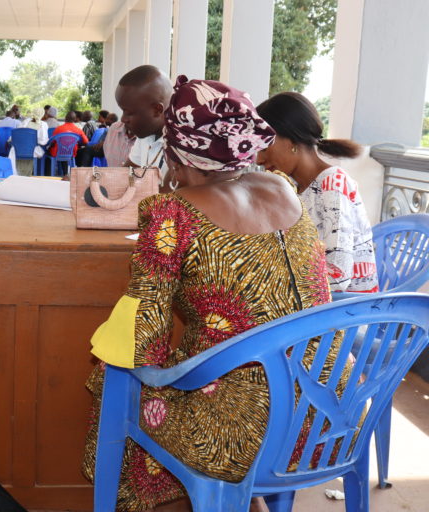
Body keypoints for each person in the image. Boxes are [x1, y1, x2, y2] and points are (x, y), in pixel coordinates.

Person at [83, 76, 349, 512]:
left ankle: (181, 501)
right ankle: (245, 503)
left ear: (175, 153)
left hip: (248, 434)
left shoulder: (175, 213)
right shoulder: (284, 186)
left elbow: (142, 338)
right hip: (333, 415)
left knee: (115, 383)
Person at [256, 92, 379, 293]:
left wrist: (274, 287)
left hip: (344, 315)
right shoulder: (294, 187)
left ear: (292, 140)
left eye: (264, 147)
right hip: (314, 305)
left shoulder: (334, 184)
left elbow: (338, 276)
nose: (258, 160)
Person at [116, 65, 173, 185]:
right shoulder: (146, 133)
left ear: (157, 110)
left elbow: (168, 195)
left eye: (129, 113)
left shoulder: (183, 144)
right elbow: (124, 175)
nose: (123, 119)